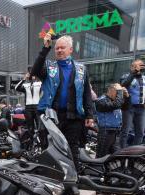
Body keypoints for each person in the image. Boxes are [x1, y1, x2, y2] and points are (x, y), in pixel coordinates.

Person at [31, 33, 94, 168]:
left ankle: (73, 183)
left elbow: (86, 94)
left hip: (74, 116)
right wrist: (45, 48)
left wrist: (89, 114)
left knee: (72, 149)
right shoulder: (49, 66)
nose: (59, 50)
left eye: (62, 48)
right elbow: (35, 71)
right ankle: (53, 181)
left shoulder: (82, 69)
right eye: (57, 48)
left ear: (70, 49)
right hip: (51, 116)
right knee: (50, 149)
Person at [119, 59, 145, 147]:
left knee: (140, 133)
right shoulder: (126, 76)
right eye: (137, 65)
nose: (140, 67)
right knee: (125, 131)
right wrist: (133, 73)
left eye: (141, 65)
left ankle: (132, 156)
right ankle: (122, 155)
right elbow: (123, 84)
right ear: (132, 67)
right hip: (129, 108)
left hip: (141, 109)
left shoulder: (144, 78)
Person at [95, 84, 125, 158]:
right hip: (106, 132)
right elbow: (116, 105)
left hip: (116, 132)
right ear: (111, 90)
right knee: (101, 156)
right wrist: (120, 91)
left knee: (116, 157)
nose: (118, 95)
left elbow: (124, 106)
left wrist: (127, 95)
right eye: (117, 92)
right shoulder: (101, 101)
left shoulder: (115, 101)